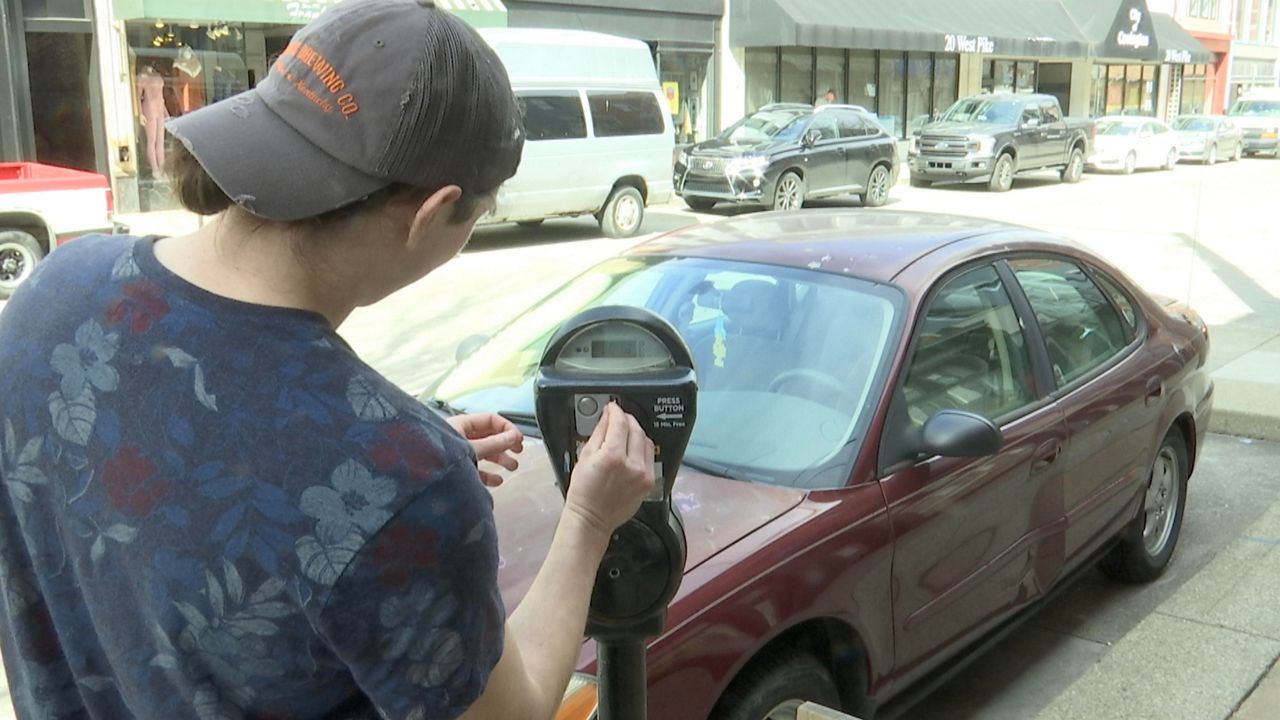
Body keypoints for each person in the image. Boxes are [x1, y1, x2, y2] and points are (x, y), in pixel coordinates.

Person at [0, 1, 655, 718]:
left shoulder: (51, 290)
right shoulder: (397, 477)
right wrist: (589, 519)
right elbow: (513, 713)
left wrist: (385, 482)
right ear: (432, 214)